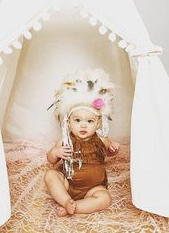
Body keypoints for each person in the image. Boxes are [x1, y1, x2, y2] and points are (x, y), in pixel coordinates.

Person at [44, 68, 120, 217]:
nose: (83, 125)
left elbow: (110, 153)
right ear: (69, 123)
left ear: (97, 124)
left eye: (89, 121)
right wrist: (56, 152)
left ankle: (73, 207)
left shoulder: (102, 139)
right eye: (78, 120)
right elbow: (51, 160)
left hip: (94, 188)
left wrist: (113, 148)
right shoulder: (65, 140)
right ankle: (66, 200)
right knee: (50, 175)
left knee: (105, 198)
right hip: (68, 184)